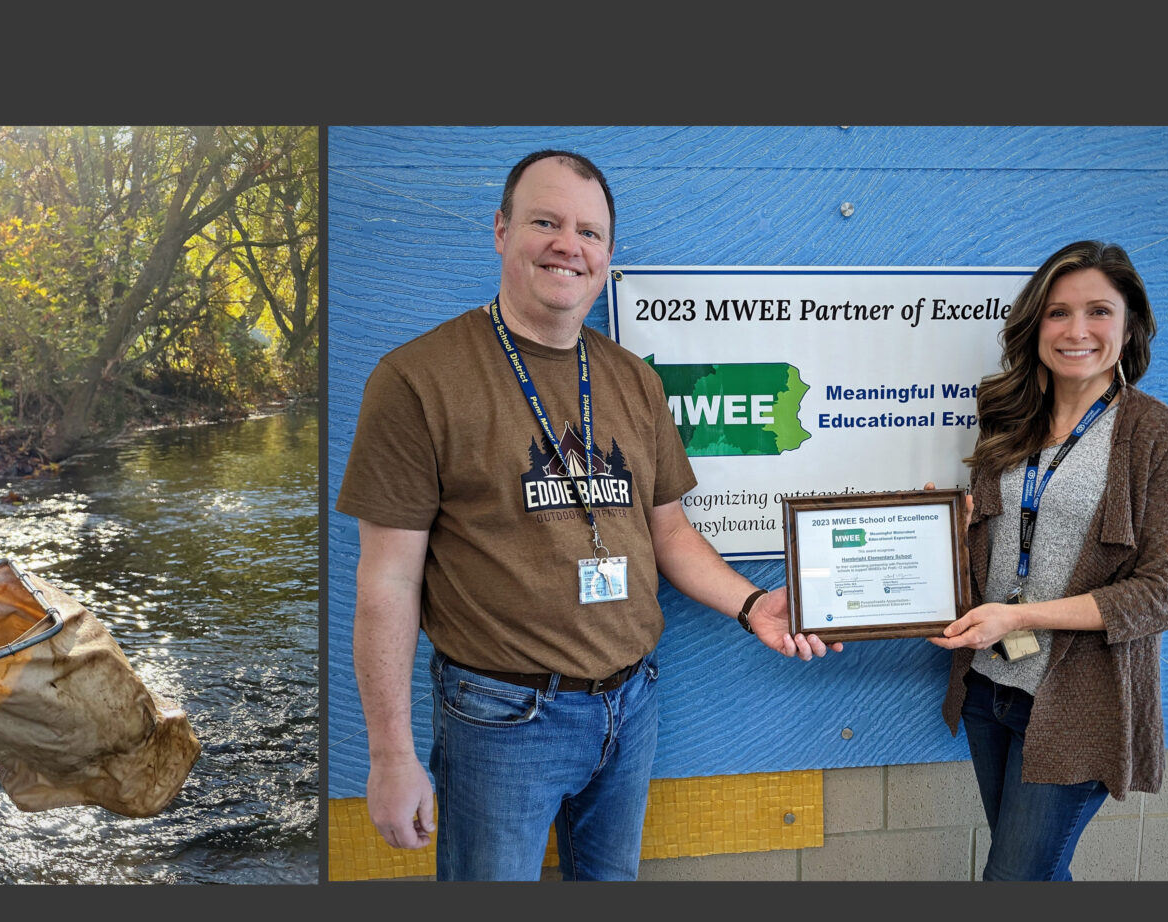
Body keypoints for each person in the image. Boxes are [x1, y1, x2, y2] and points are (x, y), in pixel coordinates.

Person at [335, 149, 840, 881]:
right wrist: (390, 757)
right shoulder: (417, 379)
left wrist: (755, 603)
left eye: (590, 232)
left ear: (607, 254)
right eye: (546, 221)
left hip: (631, 704)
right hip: (501, 719)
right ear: (501, 231)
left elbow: (668, 532)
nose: (569, 245)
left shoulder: (631, 379)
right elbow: (386, 583)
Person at [927, 240, 1168, 880]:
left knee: (1013, 881)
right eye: (1057, 313)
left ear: (1130, 324)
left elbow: (1163, 594)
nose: (1076, 331)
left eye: (1098, 312)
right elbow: (1003, 545)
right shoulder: (1007, 419)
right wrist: (954, 534)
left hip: (1081, 704)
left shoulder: (1161, 439)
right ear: (1035, 324)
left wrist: (1020, 618)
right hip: (990, 687)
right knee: (1036, 875)